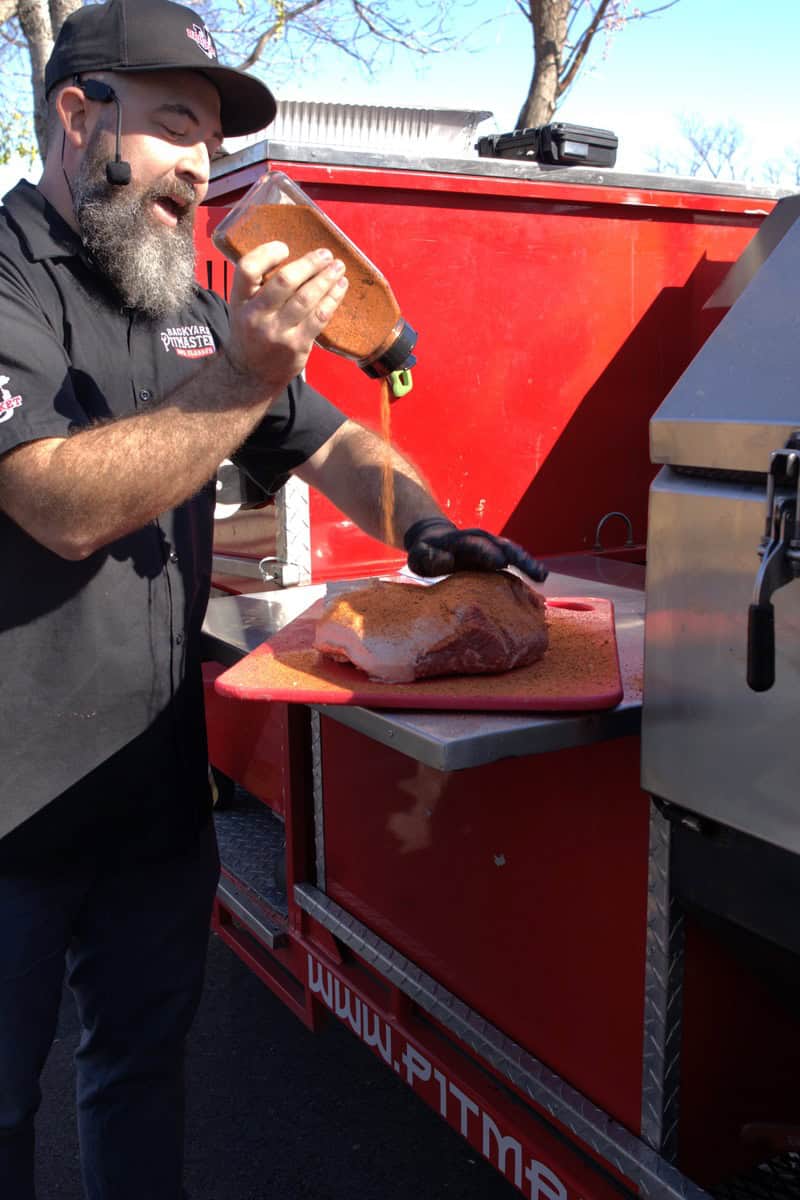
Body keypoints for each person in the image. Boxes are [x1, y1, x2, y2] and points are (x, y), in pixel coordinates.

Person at [0, 1, 547, 1196]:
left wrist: (428, 526)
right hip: (10, 809)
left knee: (138, 1073)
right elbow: (57, 505)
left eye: (211, 140)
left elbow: (335, 441)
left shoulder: (188, 305)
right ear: (77, 113)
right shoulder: (7, 281)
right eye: (174, 126)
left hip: (149, 795)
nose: (200, 167)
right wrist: (246, 377)